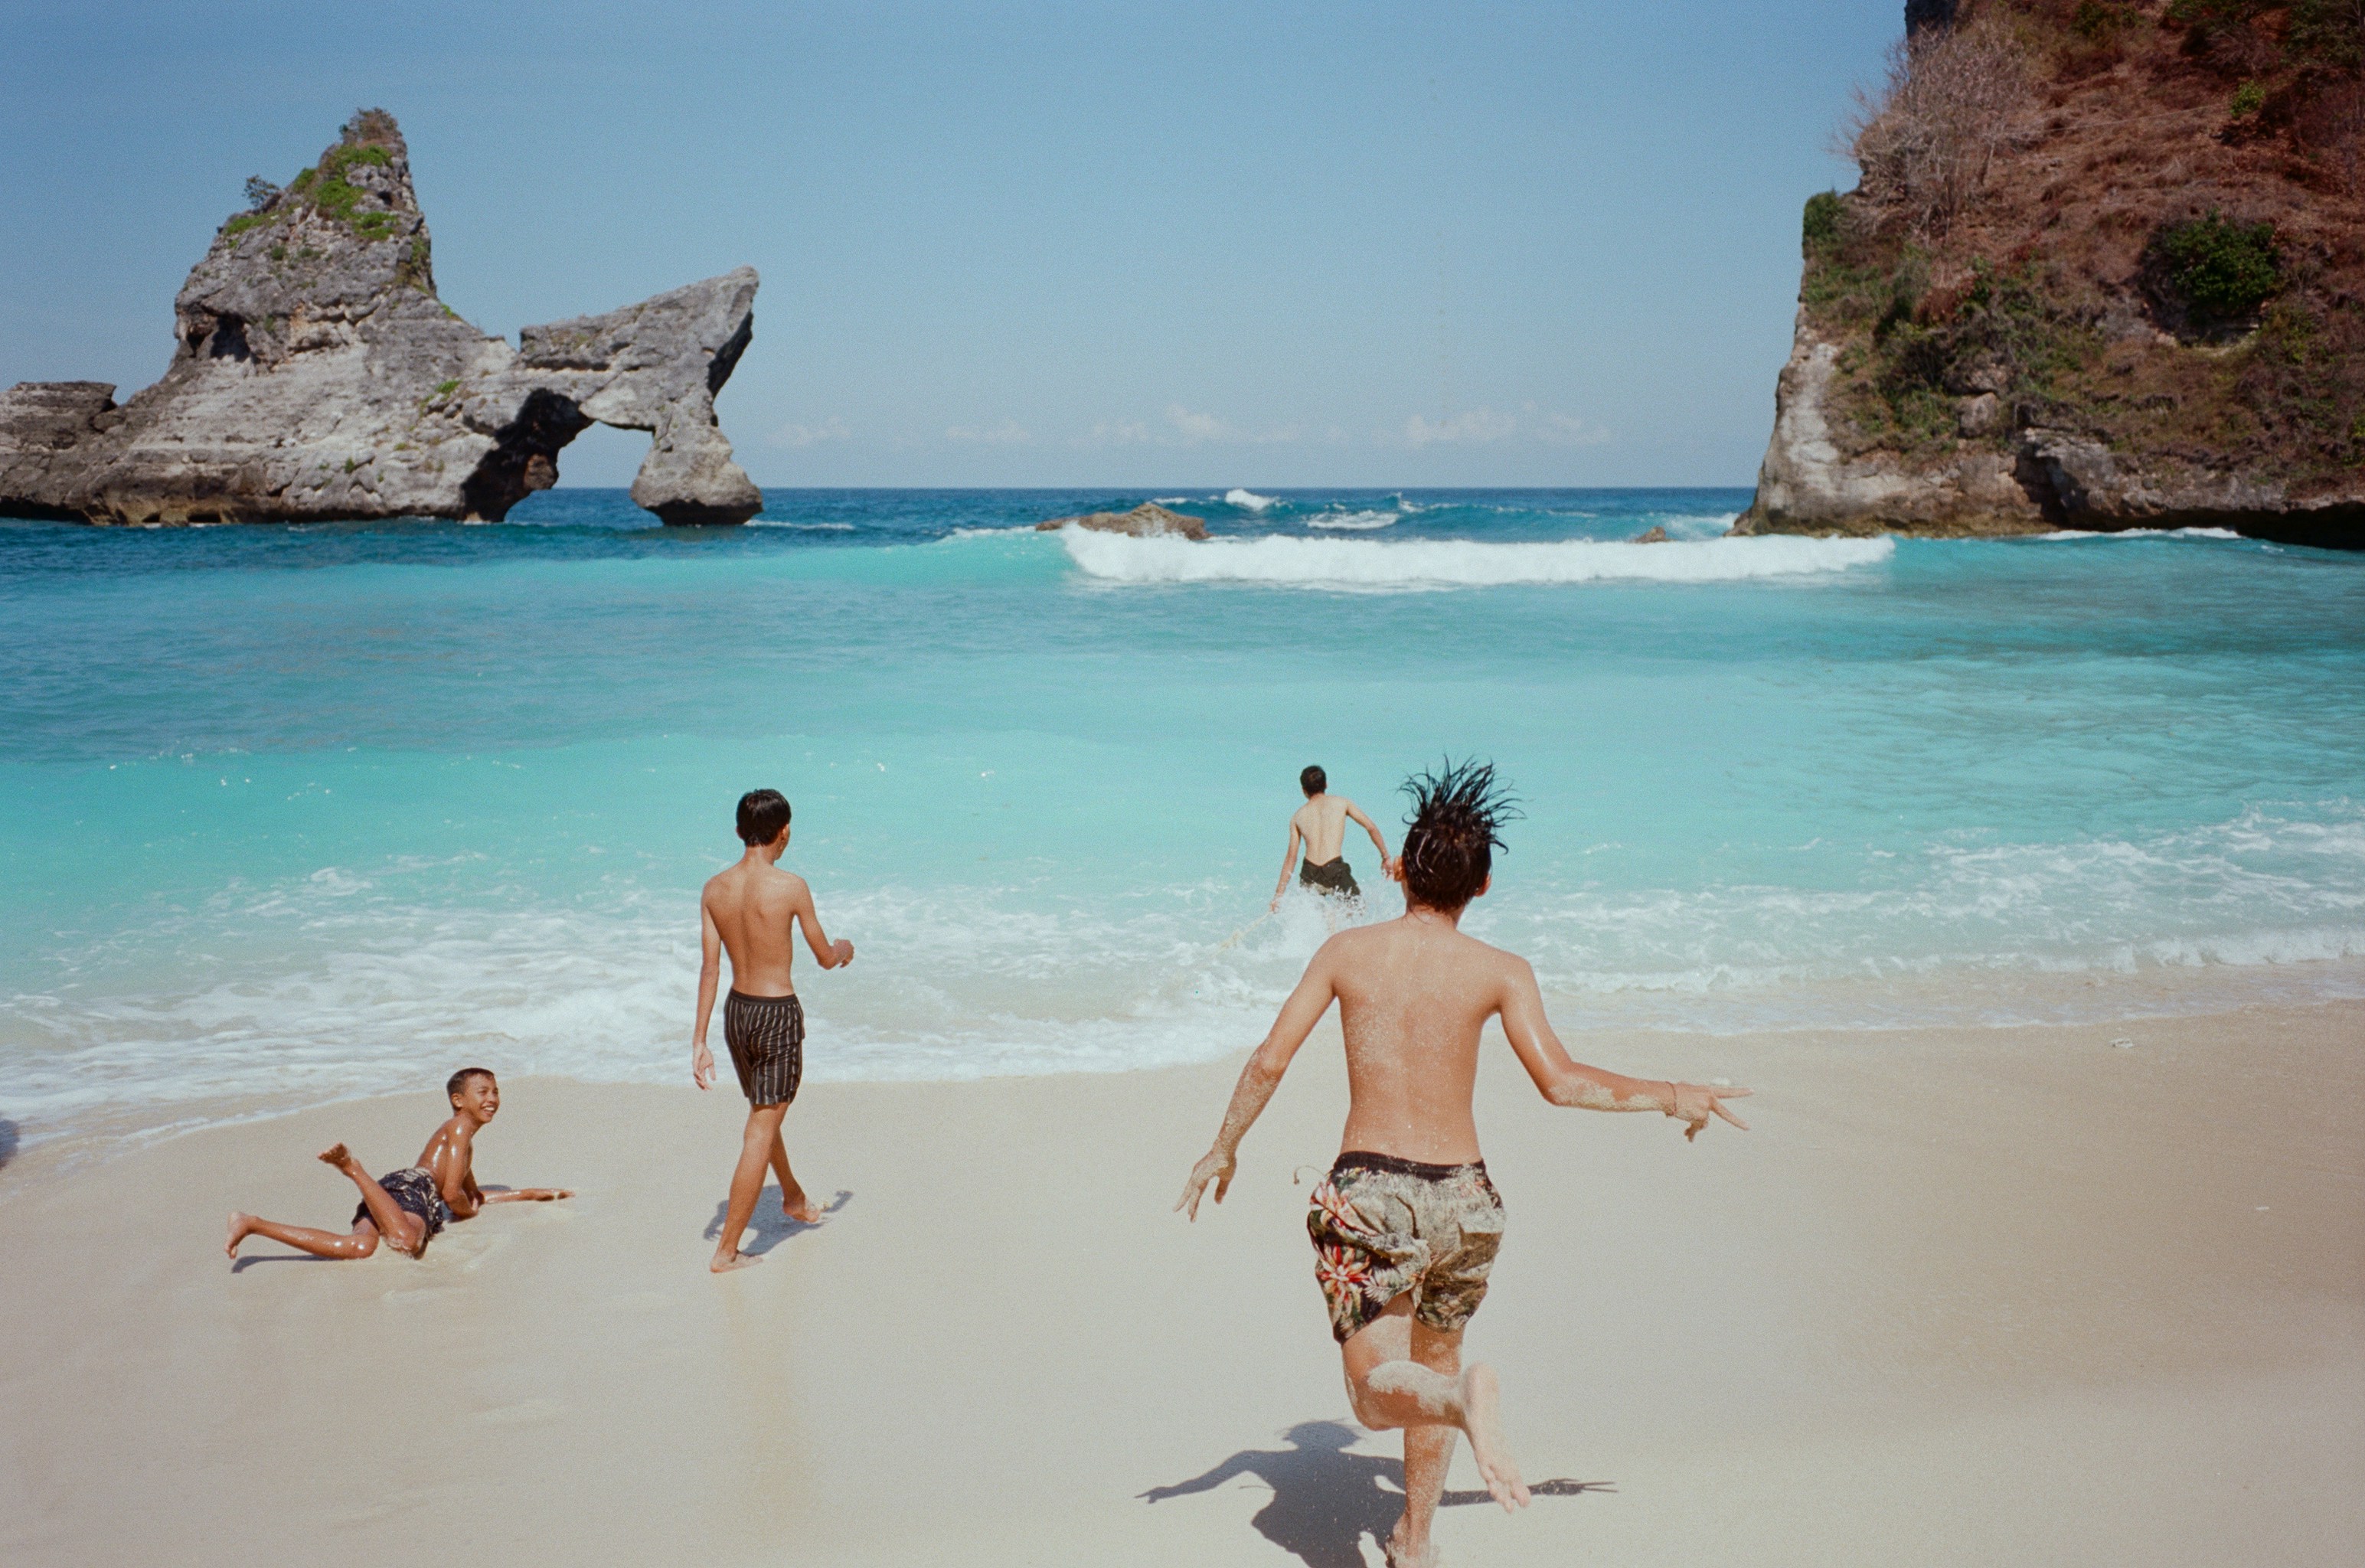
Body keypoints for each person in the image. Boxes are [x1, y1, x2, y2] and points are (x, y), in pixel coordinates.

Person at [1179, 761, 1751, 1568]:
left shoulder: (1347, 950)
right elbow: (1561, 1081)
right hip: (1467, 1200)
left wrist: (1223, 1143)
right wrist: (1670, 1093)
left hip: (1371, 1191)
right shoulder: (1501, 969)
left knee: (1379, 1387)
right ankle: (1413, 1540)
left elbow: (1270, 1058)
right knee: (1434, 1355)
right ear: (1481, 886)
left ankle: (1456, 1402)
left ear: (1401, 867)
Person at [693, 787, 854, 1273]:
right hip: (776, 1014)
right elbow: (825, 957)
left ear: (740, 832)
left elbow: (709, 970)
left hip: (736, 1013)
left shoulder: (714, 888)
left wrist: (699, 1041)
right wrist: (845, 948)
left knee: (765, 1114)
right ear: (783, 832)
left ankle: (793, 1198)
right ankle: (727, 1252)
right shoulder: (791, 887)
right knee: (761, 1127)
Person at [225, 1068, 570, 1261]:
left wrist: (530, 1193)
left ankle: (253, 1223)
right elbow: (453, 1195)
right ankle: (353, 1169)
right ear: (458, 1100)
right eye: (482, 1092)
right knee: (406, 1241)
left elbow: (474, 1193)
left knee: (359, 1248)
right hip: (413, 1189)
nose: (492, 1099)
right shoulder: (461, 1128)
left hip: (391, 1191)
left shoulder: (463, 1141)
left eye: (495, 1091)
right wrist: (467, 1213)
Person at [1272, 765, 1393, 915]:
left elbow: (1291, 858)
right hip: (1334, 868)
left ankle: (1328, 924)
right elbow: (1371, 828)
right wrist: (1385, 857)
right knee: (1358, 909)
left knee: (1313, 918)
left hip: (1309, 871)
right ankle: (1338, 925)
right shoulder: (1342, 803)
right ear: (1326, 784)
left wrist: (1278, 896)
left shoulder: (1298, 817)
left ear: (1304, 790)